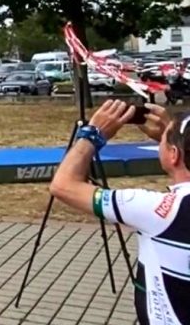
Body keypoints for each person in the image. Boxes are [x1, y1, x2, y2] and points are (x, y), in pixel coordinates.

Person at [50, 99, 190, 325]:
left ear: (173, 154)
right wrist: (175, 144)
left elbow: (63, 185)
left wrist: (92, 135)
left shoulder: (156, 210)